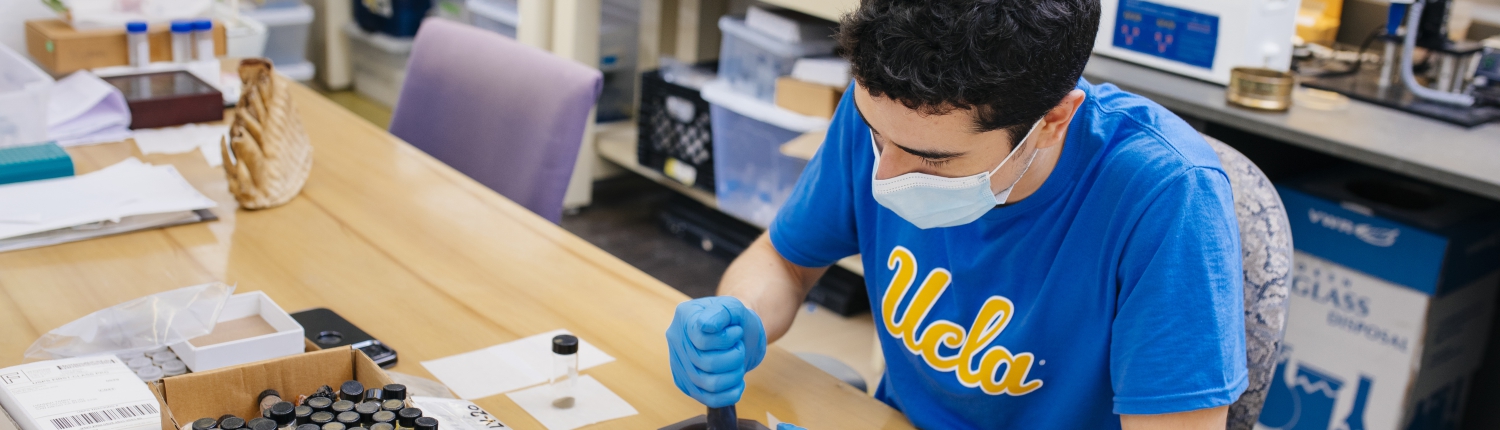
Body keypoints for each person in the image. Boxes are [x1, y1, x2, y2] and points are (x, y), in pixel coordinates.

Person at [665, 0, 1248, 428]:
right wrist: (738, 319)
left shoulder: (1168, 198)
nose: (886, 176)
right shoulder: (891, 114)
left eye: (933, 159)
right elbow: (785, 261)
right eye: (876, 137)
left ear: (1053, 121)